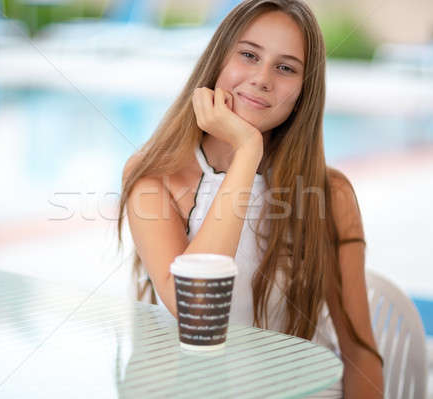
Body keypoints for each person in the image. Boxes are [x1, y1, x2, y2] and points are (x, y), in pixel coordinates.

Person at [117, 1, 384, 397]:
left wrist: (246, 149)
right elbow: (196, 308)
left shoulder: (332, 194)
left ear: (303, 92)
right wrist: (247, 152)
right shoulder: (154, 175)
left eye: (286, 67)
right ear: (218, 61)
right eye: (248, 55)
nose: (262, 79)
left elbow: (359, 355)